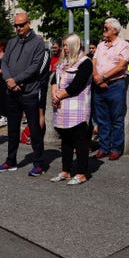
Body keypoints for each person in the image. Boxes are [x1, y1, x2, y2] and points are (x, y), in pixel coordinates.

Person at [0, 12, 47, 176]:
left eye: (21, 25)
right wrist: (9, 80)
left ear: (28, 24)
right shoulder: (11, 42)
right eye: (16, 25)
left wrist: (17, 81)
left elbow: (35, 67)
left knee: (34, 128)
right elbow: (4, 63)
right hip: (12, 92)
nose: (18, 28)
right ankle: (11, 161)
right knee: (12, 129)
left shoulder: (38, 43)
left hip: (29, 92)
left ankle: (38, 163)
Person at [50, 34, 93, 185]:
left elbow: (77, 86)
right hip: (63, 107)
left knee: (79, 141)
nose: (64, 48)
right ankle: (66, 170)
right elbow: (53, 80)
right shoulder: (63, 62)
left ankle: (82, 172)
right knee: (66, 141)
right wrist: (54, 94)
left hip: (77, 108)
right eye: (64, 45)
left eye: (67, 45)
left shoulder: (85, 63)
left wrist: (59, 96)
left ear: (75, 45)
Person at [91, 18, 129, 160]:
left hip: (115, 85)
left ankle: (116, 148)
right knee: (102, 118)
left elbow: (121, 65)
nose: (103, 31)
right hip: (99, 85)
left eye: (106, 28)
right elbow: (94, 62)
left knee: (116, 118)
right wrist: (97, 77)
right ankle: (103, 147)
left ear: (115, 30)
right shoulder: (101, 45)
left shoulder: (123, 45)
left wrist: (104, 77)